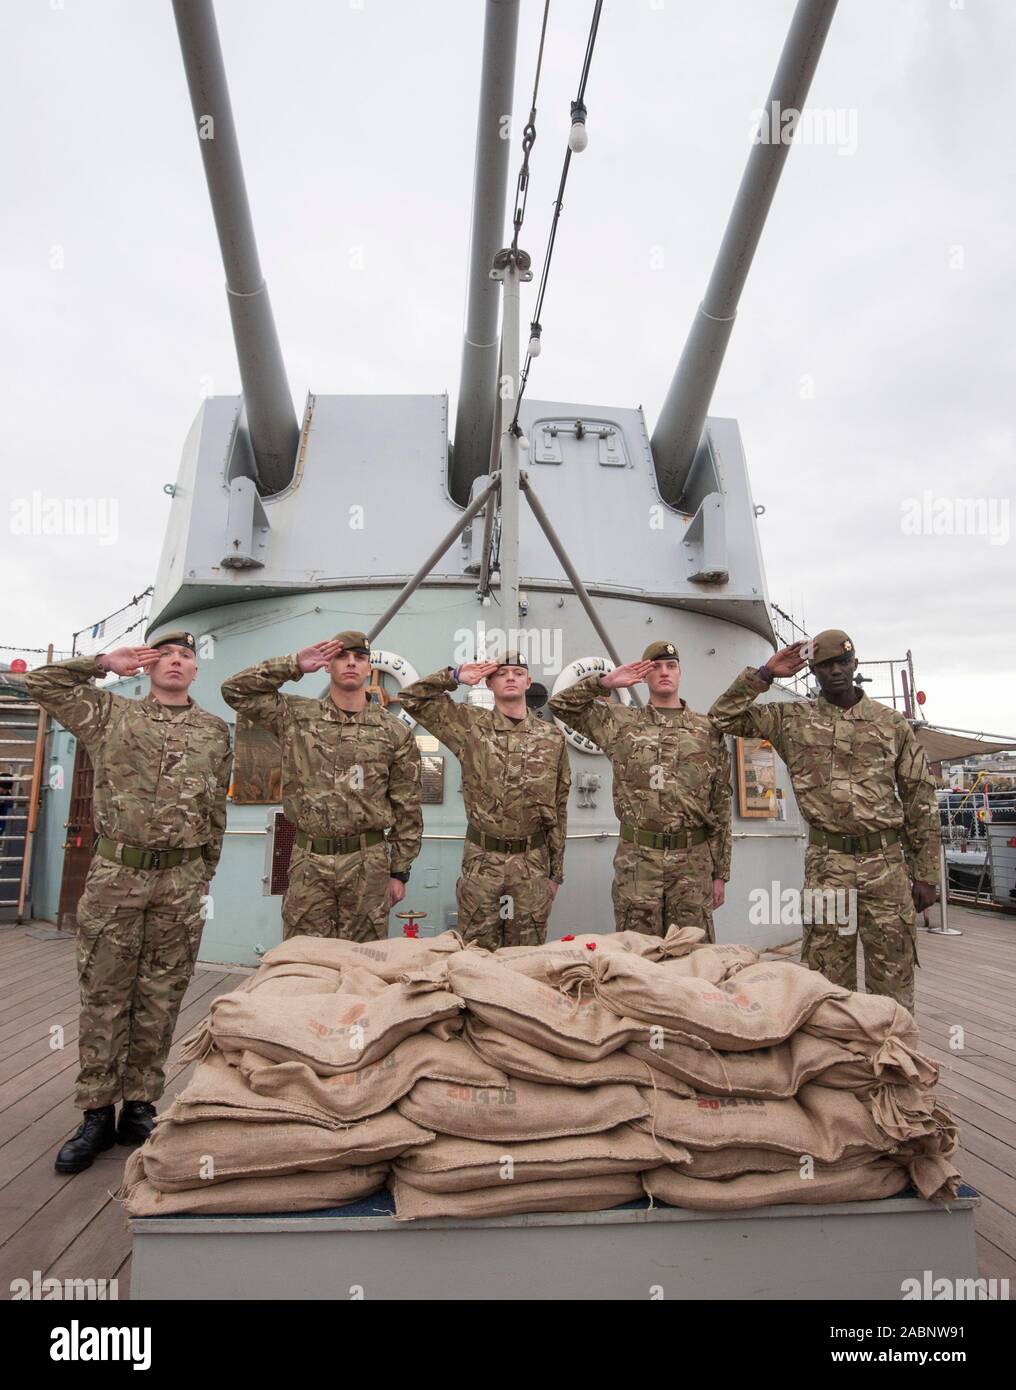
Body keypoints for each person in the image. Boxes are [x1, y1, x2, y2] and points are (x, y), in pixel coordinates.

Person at [25, 633, 232, 1172]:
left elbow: (215, 809)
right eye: (165, 654)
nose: (176, 661)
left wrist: (204, 873)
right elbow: (40, 683)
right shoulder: (109, 713)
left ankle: (139, 1106)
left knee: (163, 995)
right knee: (104, 993)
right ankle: (95, 1112)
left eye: (186, 656)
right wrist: (100, 663)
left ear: (195, 671)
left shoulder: (214, 732)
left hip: (181, 881)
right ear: (148, 664)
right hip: (118, 876)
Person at [708, 629, 939, 1009]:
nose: (836, 671)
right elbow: (721, 717)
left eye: (843, 662)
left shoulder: (891, 725)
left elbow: (920, 798)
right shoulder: (791, 719)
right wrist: (765, 674)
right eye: (826, 665)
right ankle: (833, 1061)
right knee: (826, 980)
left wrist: (926, 873)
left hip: (886, 865)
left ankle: (895, 1059)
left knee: (893, 980)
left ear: (855, 664)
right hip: (827, 865)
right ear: (813, 671)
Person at [221, 632, 421, 941]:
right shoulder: (297, 716)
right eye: (342, 657)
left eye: (359, 658)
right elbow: (234, 691)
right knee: (304, 959)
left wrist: (399, 871)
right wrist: (293, 664)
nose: (351, 663)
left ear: (369, 667)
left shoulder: (393, 731)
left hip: (368, 864)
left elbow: (406, 805)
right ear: (328, 665)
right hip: (309, 860)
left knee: (364, 961)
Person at [548, 641, 730, 940]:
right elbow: (560, 706)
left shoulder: (706, 730)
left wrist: (721, 874)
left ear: (680, 673)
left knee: (693, 952)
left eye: (671, 666)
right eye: (655, 667)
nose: (664, 672)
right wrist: (604, 682)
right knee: (638, 953)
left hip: (693, 863)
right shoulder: (621, 722)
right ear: (644, 676)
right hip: (638, 862)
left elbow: (720, 803)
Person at [399, 652, 569, 948]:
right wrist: (454, 676)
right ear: (489, 683)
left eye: (518, 672)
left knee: (526, 953)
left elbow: (559, 805)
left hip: (532, 865)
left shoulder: (552, 738)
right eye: (503, 674)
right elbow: (411, 698)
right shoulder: (469, 726)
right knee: (476, 951)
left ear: (528, 682)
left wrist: (556, 873)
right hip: (482, 862)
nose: (511, 677)